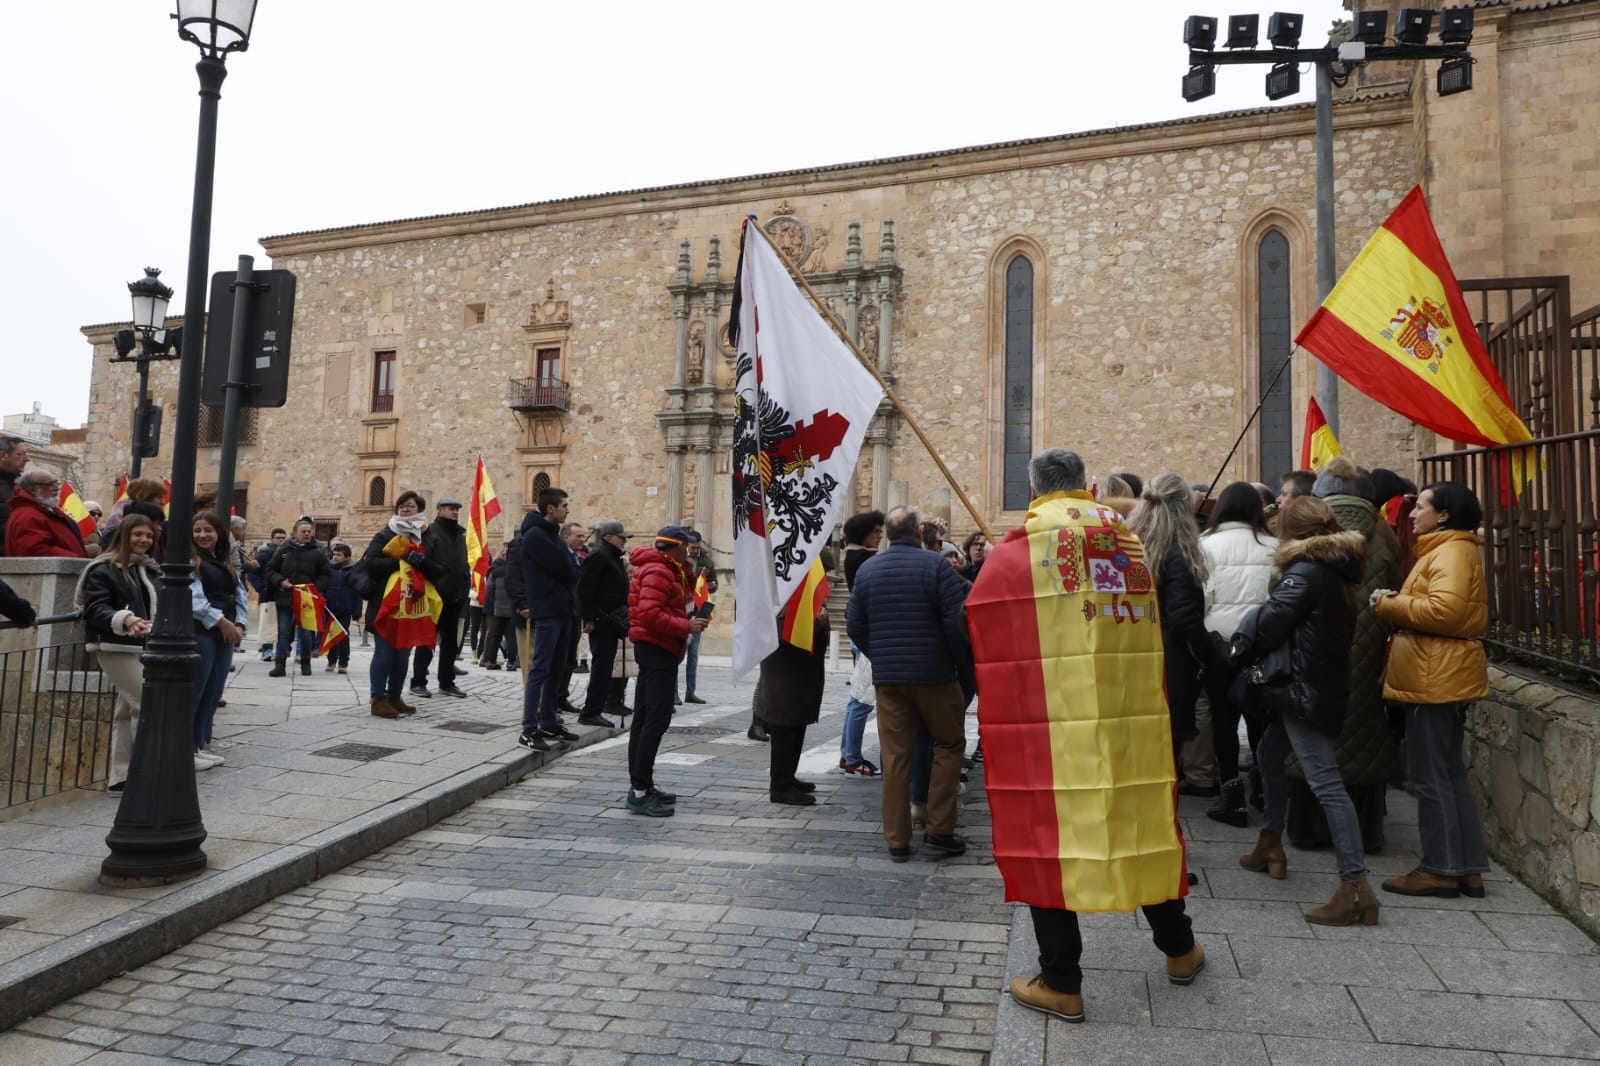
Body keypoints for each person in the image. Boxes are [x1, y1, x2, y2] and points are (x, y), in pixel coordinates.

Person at [970, 449, 1202, 1024]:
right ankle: (1180, 950)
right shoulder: (1121, 534)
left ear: (1033, 487)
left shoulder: (1024, 541)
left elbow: (978, 615)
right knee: (1142, 823)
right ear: (1086, 483)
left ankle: (1062, 981)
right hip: (1129, 717)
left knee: (1047, 837)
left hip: (1052, 722)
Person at [1231, 495, 1379, 926]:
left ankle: (1356, 887)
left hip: (1302, 688)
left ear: (1292, 529)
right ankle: (1271, 843)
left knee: (1325, 783)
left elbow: (1275, 620)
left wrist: (1243, 635)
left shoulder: (1306, 570)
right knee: (1270, 755)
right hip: (1316, 683)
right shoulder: (1335, 568)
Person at [1374, 481, 1492, 900]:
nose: (1411, 513)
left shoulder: (1452, 552)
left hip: (1433, 676)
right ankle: (1466, 867)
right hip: (1438, 671)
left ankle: (1441, 869)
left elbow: (1444, 611)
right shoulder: (1451, 549)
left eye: (1420, 506)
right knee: (1448, 773)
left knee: (1431, 777)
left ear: (1443, 514)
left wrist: (1387, 604)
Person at [1284, 457, 1401, 851]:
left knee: (1314, 738)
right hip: (1368, 653)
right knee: (1364, 732)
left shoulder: (1312, 532)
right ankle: (1366, 833)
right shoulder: (1385, 537)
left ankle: (1309, 829)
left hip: (1316, 647)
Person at [846, 505, 971, 861]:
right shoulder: (936, 567)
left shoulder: (868, 570)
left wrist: (880, 654)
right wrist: (957, 663)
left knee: (895, 756)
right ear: (919, 534)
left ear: (885, 534)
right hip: (935, 676)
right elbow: (957, 622)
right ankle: (939, 830)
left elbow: (854, 624)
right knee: (948, 746)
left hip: (889, 680)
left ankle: (897, 840)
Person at [1197, 481, 1279, 826]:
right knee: (1261, 718)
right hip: (1261, 643)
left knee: (1224, 720)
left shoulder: (1205, 545)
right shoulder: (1275, 546)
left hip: (1219, 643)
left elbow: (1203, 598)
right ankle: (1262, 786)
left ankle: (1232, 797)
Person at [1127, 473, 1214, 768]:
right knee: (1163, 760)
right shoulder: (1178, 553)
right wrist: (1212, 654)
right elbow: (1183, 618)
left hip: (1127, 660)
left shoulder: (1125, 546)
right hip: (1165, 668)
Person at [623, 526, 709, 816]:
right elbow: (649, 614)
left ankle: (643, 785)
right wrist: (686, 625)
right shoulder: (658, 571)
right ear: (674, 547)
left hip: (659, 649)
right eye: (685, 547)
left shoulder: (669, 569)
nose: (689, 551)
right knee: (653, 719)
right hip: (655, 648)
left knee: (647, 717)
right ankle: (639, 790)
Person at [75, 514, 159, 792]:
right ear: (124, 535)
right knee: (147, 702)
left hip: (140, 645)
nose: (144, 540)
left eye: (148, 536)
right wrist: (126, 619)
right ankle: (145, 771)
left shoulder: (147, 569)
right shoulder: (103, 569)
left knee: (126, 710)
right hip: (112, 644)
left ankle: (120, 777)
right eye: (138, 535)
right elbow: (95, 607)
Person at [362, 491, 439, 720]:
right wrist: (399, 561)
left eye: (410, 506)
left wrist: (422, 562)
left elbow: (440, 569)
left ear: (420, 510)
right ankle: (378, 699)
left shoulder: (428, 538)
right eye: (401, 506)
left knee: (403, 654)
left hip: (413, 607)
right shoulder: (385, 534)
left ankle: (394, 696)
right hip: (385, 603)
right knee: (384, 653)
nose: (405, 509)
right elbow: (372, 564)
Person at [756, 583, 830, 806]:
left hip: (797, 678)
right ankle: (780, 786)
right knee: (785, 732)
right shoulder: (781, 596)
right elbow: (788, 638)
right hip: (785, 679)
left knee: (795, 728)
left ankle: (788, 777)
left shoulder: (793, 593)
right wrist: (817, 625)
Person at [519, 487, 582, 748]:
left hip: (563, 610)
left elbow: (573, 568)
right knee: (540, 670)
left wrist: (572, 564)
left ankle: (548, 722)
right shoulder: (536, 536)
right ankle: (528, 728)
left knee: (557, 669)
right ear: (551, 509)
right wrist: (572, 564)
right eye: (564, 506)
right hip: (547, 610)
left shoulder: (553, 537)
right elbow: (567, 570)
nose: (568, 510)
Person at [190, 511, 248, 771]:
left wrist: (239, 623)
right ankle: (187, 747)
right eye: (197, 530)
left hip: (224, 632)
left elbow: (239, 591)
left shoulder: (224, 560)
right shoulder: (192, 561)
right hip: (202, 631)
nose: (202, 535)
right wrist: (221, 621)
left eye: (208, 530)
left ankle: (200, 743)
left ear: (218, 534)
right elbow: (195, 599)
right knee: (197, 689)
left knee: (214, 690)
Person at [836, 510, 884, 772]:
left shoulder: (855, 556)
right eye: (876, 531)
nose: (880, 536)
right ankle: (851, 757)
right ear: (863, 533)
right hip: (869, 635)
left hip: (864, 634)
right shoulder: (864, 558)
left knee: (858, 697)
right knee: (862, 700)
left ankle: (849, 754)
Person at [413, 497, 470, 698]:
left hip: (455, 596)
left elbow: (463, 563)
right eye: (451, 508)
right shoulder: (430, 533)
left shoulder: (460, 534)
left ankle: (447, 682)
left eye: (457, 509)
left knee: (450, 644)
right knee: (427, 641)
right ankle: (418, 681)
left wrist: (465, 585)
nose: (455, 512)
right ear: (439, 510)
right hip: (434, 596)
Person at [578, 521, 632, 728]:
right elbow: (586, 589)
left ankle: (595, 709)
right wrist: (589, 618)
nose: (624, 540)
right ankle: (591, 711)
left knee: (605, 666)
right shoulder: (600, 556)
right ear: (609, 537)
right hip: (602, 620)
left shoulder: (612, 556)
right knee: (601, 668)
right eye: (621, 537)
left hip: (613, 619)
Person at [266, 519, 330, 676]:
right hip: (285, 597)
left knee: (306, 633)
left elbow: (326, 575)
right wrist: (280, 581)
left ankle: (305, 664)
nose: (307, 534)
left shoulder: (319, 552)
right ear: (295, 533)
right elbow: (270, 570)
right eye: (303, 531)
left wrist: (314, 588)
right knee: (284, 632)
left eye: (309, 531)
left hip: (307, 599)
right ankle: (280, 665)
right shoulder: (284, 550)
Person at [5, 469, 87, 558]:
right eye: (50, 484)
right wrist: (76, 558)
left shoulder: (46, 510)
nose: (57, 488)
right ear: (32, 489)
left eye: (56, 483)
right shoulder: (28, 515)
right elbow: (35, 550)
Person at [555, 521, 589, 715]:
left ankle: (562, 696)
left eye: (583, 536)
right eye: (578, 536)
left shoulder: (580, 559)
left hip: (575, 613)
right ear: (566, 537)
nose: (582, 540)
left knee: (569, 659)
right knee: (558, 659)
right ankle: (552, 697)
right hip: (561, 613)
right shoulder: (560, 557)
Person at [681, 529, 716, 705]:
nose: (694, 550)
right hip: (682, 612)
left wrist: (711, 585)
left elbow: (713, 585)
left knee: (693, 655)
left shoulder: (707, 561)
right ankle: (672, 694)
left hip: (698, 611)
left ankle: (690, 691)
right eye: (692, 547)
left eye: (697, 547)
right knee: (675, 655)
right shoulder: (680, 560)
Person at [323, 542, 362, 674]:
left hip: (345, 608)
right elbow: (324, 586)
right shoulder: (329, 569)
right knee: (331, 635)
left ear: (347, 557)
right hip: (330, 607)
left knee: (344, 636)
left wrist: (357, 611)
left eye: (338, 555)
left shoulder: (353, 570)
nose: (335, 557)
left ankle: (343, 663)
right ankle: (331, 661)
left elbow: (357, 592)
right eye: (334, 554)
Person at [479, 545, 518, 671]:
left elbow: (489, 589)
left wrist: (496, 600)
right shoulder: (517, 572)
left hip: (498, 609)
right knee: (511, 637)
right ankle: (511, 662)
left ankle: (491, 661)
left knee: (496, 636)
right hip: (512, 609)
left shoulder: (496, 572)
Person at [250, 528, 287, 661]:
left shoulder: (287, 554)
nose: (281, 540)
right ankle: (267, 651)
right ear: (272, 539)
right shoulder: (263, 555)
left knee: (283, 624)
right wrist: (262, 588)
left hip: (283, 594)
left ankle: (282, 651)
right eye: (278, 538)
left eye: (283, 538)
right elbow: (253, 574)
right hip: (267, 594)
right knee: (267, 623)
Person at [0, 435, 30, 552]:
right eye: (21, 454)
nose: (27, 459)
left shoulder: (21, 486)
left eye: (27, 454)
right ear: (3, 456)